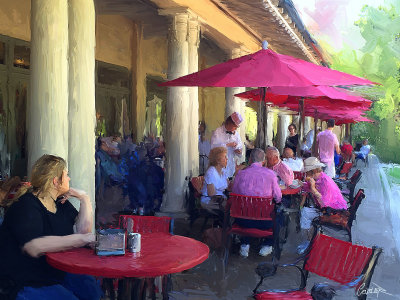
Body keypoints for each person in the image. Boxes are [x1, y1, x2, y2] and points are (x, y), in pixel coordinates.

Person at [0, 154, 102, 300]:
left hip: (55, 271)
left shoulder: (60, 203)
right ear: (56, 181)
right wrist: (81, 239)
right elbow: (33, 246)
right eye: (66, 175)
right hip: (26, 279)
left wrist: (84, 198)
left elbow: (83, 231)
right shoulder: (26, 205)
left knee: (91, 291)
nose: (69, 179)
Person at [231, 148, 282, 257]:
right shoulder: (271, 175)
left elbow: (234, 192)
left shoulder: (240, 174)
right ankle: (267, 245)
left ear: (250, 160)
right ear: (264, 161)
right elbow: (278, 198)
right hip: (264, 222)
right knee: (279, 215)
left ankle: (245, 243)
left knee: (246, 208)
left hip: (242, 220)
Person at [297, 157, 348, 253]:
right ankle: (308, 240)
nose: (305, 174)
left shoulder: (325, 182)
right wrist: (301, 184)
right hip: (329, 209)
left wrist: (313, 188)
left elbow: (324, 204)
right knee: (306, 211)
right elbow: (308, 187)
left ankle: (307, 243)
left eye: (307, 172)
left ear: (313, 171)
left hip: (334, 212)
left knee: (305, 213)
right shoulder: (320, 178)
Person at [211, 112, 243, 178]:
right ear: (229, 123)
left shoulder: (236, 134)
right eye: (235, 126)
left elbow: (240, 149)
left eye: (237, 127)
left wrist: (239, 151)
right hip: (219, 167)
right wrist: (227, 145)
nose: (235, 129)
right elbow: (213, 148)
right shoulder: (217, 132)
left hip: (230, 168)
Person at [200, 147, 229, 216]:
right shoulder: (211, 173)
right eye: (224, 157)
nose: (227, 159)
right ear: (218, 160)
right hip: (210, 201)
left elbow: (229, 187)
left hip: (221, 200)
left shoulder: (223, 172)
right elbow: (211, 194)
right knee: (231, 208)